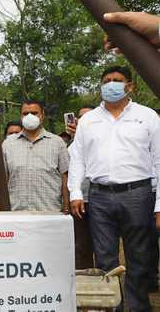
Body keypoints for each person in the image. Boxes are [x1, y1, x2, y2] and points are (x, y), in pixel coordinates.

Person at [68, 65, 160, 311]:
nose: (111, 84)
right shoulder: (88, 120)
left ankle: (139, 307)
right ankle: (112, 307)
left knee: (139, 258)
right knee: (105, 259)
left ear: (130, 86)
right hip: (99, 196)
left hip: (138, 194)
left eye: (117, 80)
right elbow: (77, 158)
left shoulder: (148, 116)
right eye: (106, 80)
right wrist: (76, 192)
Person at [2, 100, 70, 212]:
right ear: (21, 117)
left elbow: (65, 177)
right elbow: (2, 179)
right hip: (17, 213)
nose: (29, 116)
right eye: (25, 113)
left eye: (34, 113)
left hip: (49, 212)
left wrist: (66, 207)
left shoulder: (57, 143)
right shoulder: (8, 144)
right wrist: (1, 210)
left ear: (42, 116)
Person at [66, 105, 96, 270]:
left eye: (88, 116)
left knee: (103, 244)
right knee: (81, 244)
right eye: (80, 117)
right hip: (78, 201)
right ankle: (87, 278)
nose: (83, 120)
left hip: (100, 198)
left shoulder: (102, 139)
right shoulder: (70, 144)